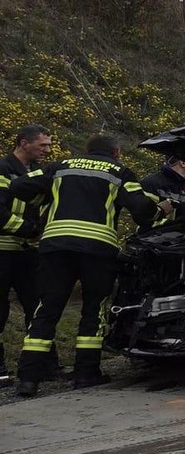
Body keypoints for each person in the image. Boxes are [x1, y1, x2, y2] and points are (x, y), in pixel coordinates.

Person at [8, 134, 164, 395]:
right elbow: (142, 210)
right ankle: (86, 374)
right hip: (97, 250)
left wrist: (45, 199)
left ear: (87, 150)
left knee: (46, 309)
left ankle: (28, 379)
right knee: (94, 309)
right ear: (116, 153)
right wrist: (161, 211)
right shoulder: (120, 172)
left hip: (56, 247)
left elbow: (19, 187)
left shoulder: (60, 167)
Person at [1, 124, 53, 384]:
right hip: (3, 250)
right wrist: (30, 230)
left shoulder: (36, 172)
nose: (47, 150)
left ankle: (46, 366)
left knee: (38, 308)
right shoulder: (3, 169)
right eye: (42, 145)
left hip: (27, 252)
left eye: (49, 145)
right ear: (24, 143)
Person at [139, 155, 185, 229]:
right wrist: (179, 226)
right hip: (155, 235)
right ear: (183, 163)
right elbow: (144, 219)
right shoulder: (151, 184)